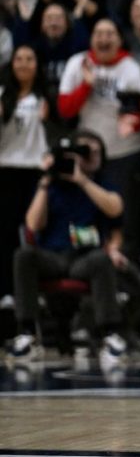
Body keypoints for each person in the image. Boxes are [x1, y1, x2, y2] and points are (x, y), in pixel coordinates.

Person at [7, 130, 129, 365]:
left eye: (91, 152)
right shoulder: (50, 185)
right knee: (23, 255)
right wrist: (45, 181)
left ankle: (110, 335)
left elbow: (115, 209)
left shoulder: (98, 183)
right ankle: (28, 334)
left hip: (83, 259)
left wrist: (82, 180)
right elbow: (33, 224)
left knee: (101, 259)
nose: (84, 158)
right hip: (51, 256)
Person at [57, 19, 140, 261]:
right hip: (90, 156)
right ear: (91, 39)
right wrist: (86, 86)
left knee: (126, 217)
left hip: (126, 153)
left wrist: (131, 119)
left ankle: (124, 278)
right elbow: (65, 109)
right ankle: (87, 270)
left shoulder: (131, 68)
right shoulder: (78, 64)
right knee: (87, 215)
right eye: (98, 33)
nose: (104, 38)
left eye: (110, 33)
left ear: (119, 39)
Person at [0, 47, 50, 301]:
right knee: (7, 233)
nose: (23, 64)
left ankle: (38, 290)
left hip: (36, 170)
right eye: (18, 59)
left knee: (36, 231)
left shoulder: (46, 97)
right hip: (6, 169)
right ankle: (8, 290)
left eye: (29, 59)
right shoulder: (2, 95)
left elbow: (59, 130)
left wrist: (50, 119)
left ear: (37, 65)